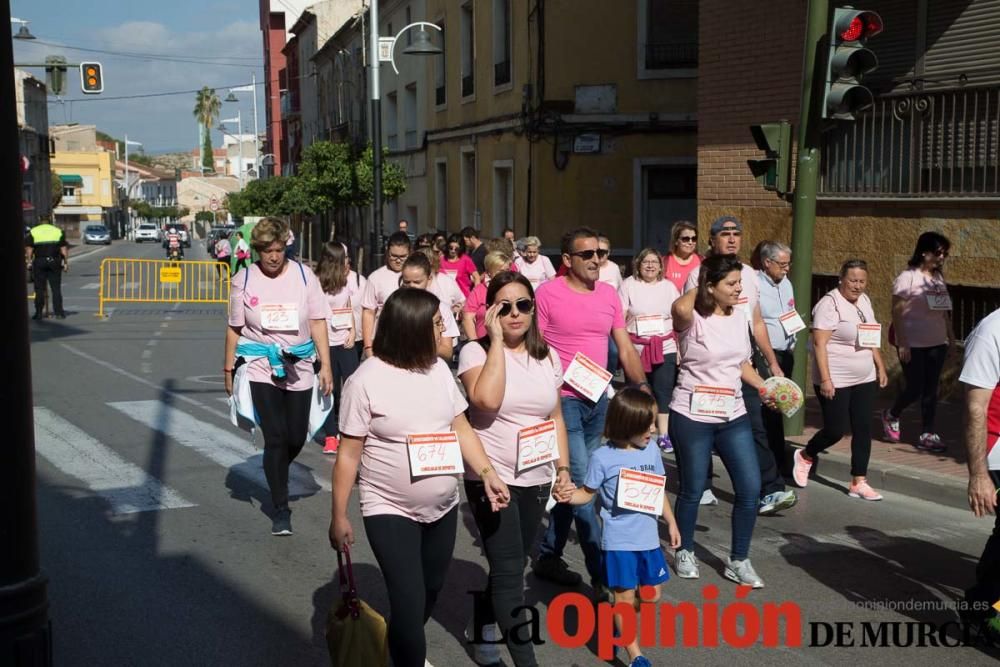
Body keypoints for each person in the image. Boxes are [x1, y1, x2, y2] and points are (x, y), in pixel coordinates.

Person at [329, 288, 510, 667]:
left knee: (428, 592)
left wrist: (488, 472)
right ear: (411, 328)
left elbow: (460, 426)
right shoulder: (365, 380)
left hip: (442, 507)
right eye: (438, 324)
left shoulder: (438, 371)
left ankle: (400, 646)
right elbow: (348, 454)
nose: (446, 329)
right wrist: (339, 515)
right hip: (388, 507)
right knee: (408, 602)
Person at [458, 271, 572, 667]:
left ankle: (483, 625)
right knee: (509, 575)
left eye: (523, 304)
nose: (514, 314)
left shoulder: (548, 355)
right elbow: (486, 401)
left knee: (513, 566)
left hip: (537, 477)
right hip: (493, 477)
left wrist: (563, 470)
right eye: (503, 307)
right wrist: (494, 343)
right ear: (491, 312)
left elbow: (555, 416)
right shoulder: (474, 352)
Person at [532, 226, 650, 592]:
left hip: (598, 400)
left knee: (576, 485)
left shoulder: (610, 295)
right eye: (588, 255)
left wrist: (642, 388)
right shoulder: (547, 294)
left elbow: (625, 347)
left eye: (600, 253)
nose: (597, 260)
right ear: (567, 260)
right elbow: (535, 348)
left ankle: (549, 555)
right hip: (562, 400)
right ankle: (603, 576)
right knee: (586, 488)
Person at [669, 253, 775, 588]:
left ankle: (739, 559)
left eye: (740, 282)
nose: (738, 289)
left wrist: (763, 385)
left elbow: (740, 363)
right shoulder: (693, 317)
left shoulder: (739, 315)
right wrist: (702, 280)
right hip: (692, 415)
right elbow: (680, 310)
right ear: (710, 286)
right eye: (730, 283)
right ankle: (684, 549)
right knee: (693, 489)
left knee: (750, 488)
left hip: (733, 414)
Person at [224, 217, 333, 535]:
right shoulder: (242, 280)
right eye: (266, 251)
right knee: (275, 436)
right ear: (257, 250)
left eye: (278, 249)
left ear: (286, 246)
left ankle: (275, 467)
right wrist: (228, 368)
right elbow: (234, 328)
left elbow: (317, 322)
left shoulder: (304, 275)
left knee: (297, 436)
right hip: (260, 365)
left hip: (299, 364)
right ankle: (280, 507)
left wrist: (325, 364)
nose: (273, 256)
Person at [557, 388, 681, 667]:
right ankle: (636, 655)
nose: (653, 429)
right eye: (646, 424)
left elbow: (658, 490)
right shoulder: (603, 457)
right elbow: (587, 494)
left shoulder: (651, 449)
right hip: (619, 542)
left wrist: (671, 522)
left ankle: (614, 620)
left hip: (648, 540)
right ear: (627, 425)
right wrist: (567, 495)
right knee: (625, 600)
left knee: (652, 595)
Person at [684, 216, 795, 513]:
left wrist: (772, 363)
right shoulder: (698, 274)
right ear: (712, 239)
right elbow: (685, 321)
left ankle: (769, 489)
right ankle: (700, 483)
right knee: (704, 430)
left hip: (741, 363)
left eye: (736, 233)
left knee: (755, 427)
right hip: (706, 367)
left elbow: (757, 322)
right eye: (725, 234)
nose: (732, 239)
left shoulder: (749, 275)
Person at [793, 259, 889, 501]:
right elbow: (818, 344)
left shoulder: (864, 302)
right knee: (835, 430)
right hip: (836, 377)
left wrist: (879, 364)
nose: (857, 286)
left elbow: (869, 336)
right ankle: (806, 454)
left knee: (863, 427)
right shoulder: (829, 304)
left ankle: (859, 480)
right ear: (841, 280)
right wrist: (825, 379)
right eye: (853, 281)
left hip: (864, 376)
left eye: (862, 281)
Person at [882, 232, 955, 453]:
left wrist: (950, 339)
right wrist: (903, 342)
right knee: (915, 387)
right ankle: (891, 413)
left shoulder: (937, 279)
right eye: (938, 252)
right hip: (912, 342)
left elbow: (944, 313)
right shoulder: (908, 278)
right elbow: (897, 311)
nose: (942, 257)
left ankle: (928, 433)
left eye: (945, 253)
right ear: (924, 253)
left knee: (931, 389)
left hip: (936, 342)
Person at [958, 307, 1000, 637]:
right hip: (997, 449)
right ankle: (982, 608)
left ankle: (983, 605)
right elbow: (975, 407)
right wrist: (978, 475)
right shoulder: (991, 330)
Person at [618, 248, 681, 453]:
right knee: (636, 391)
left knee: (663, 391)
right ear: (638, 264)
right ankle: (638, 430)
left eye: (654, 262)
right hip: (636, 347)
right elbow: (620, 314)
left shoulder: (669, 287)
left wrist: (680, 347)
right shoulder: (629, 285)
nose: (650, 265)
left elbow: (677, 317)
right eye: (646, 262)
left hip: (665, 345)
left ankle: (664, 434)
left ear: (661, 266)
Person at [755, 241, 798, 480]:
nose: (786, 269)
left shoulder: (787, 284)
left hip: (786, 352)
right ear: (767, 262)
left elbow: (789, 314)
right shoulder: (756, 285)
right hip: (766, 356)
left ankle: (778, 462)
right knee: (769, 411)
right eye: (781, 264)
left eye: (788, 264)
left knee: (779, 409)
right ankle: (772, 465)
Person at [315, 242, 358, 455]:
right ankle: (330, 435)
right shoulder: (316, 284)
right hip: (325, 344)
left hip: (345, 340)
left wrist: (353, 331)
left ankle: (347, 430)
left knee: (351, 386)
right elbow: (313, 317)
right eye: (345, 257)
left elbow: (348, 305)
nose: (348, 261)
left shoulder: (347, 279)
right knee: (329, 389)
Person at [399, 253, 462, 361]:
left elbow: (447, 352)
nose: (411, 286)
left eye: (417, 282)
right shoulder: (396, 306)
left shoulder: (441, 309)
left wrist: (419, 343)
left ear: (429, 279)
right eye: (407, 282)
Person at [361, 231, 411, 359]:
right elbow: (368, 312)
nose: (398, 260)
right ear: (387, 253)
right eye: (394, 256)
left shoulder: (417, 276)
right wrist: (368, 347)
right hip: (383, 343)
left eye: (403, 256)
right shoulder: (375, 278)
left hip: (411, 342)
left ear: (410, 253)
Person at [463, 251, 513, 341]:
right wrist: (475, 343)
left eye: (507, 271)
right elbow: (468, 318)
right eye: (500, 271)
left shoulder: (514, 289)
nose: (504, 275)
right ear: (489, 272)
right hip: (483, 343)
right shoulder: (479, 290)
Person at [25, 218, 68, 320]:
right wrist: (65, 262)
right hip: (54, 261)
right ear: (50, 221)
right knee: (56, 288)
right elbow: (63, 248)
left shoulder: (34, 231)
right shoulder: (58, 231)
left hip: (40, 261)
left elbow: (29, 248)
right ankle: (59, 313)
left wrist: (29, 261)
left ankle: (39, 312)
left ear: (40, 221)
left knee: (39, 289)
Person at [415, 247, 465, 317]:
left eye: (429, 266)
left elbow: (461, 301)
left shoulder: (447, 281)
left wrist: (453, 311)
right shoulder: (411, 281)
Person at [663, 221, 701, 292]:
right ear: (676, 241)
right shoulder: (664, 263)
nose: (690, 242)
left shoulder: (702, 261)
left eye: (694, 239)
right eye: (685, 239)